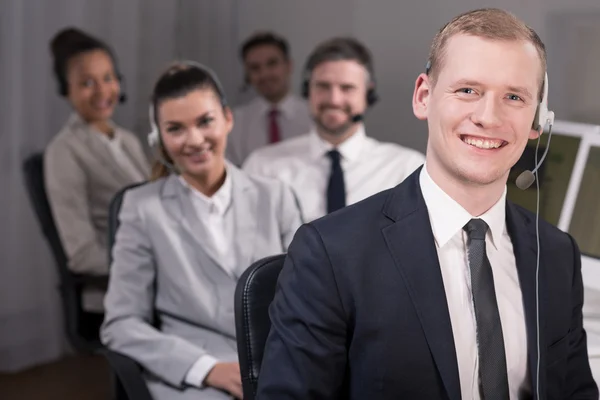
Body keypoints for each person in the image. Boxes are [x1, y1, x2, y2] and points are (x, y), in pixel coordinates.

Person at [257, 8, 598, 399]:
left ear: (538, 121)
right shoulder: (331, 252)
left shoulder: (555, 255)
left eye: (514, 97)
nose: (488, 117)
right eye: (468, 90)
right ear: (423, 97)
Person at [100, 61, 303, 400]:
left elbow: (306, 295)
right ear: (159, 137)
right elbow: (121, 324)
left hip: (278, 361)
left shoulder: (275, 196)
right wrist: (207, 369)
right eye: (175, 128)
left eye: (205, 121)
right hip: (195, 378)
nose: (194, 140)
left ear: (227, 118)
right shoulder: (141, 208)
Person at [243, 37, 425, 222]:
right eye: (323, 86)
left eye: (347, 88)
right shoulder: (262, 167)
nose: (334, 100)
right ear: (308, 90)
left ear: (368, 94)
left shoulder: (406, 170)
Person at [45, 27, 150, 313]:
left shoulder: (127, 140)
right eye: (87, 82)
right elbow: (82, 255)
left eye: (108, 77)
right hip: (120, 289)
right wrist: (153, 262)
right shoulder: (64, 151)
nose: (104, 90)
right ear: (66, 90)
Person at [226, 31, 311, 166]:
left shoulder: (313, 116)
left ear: (289, 65)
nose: (264, 74)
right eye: (255, 68)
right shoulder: (236, 123)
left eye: (272, 64)